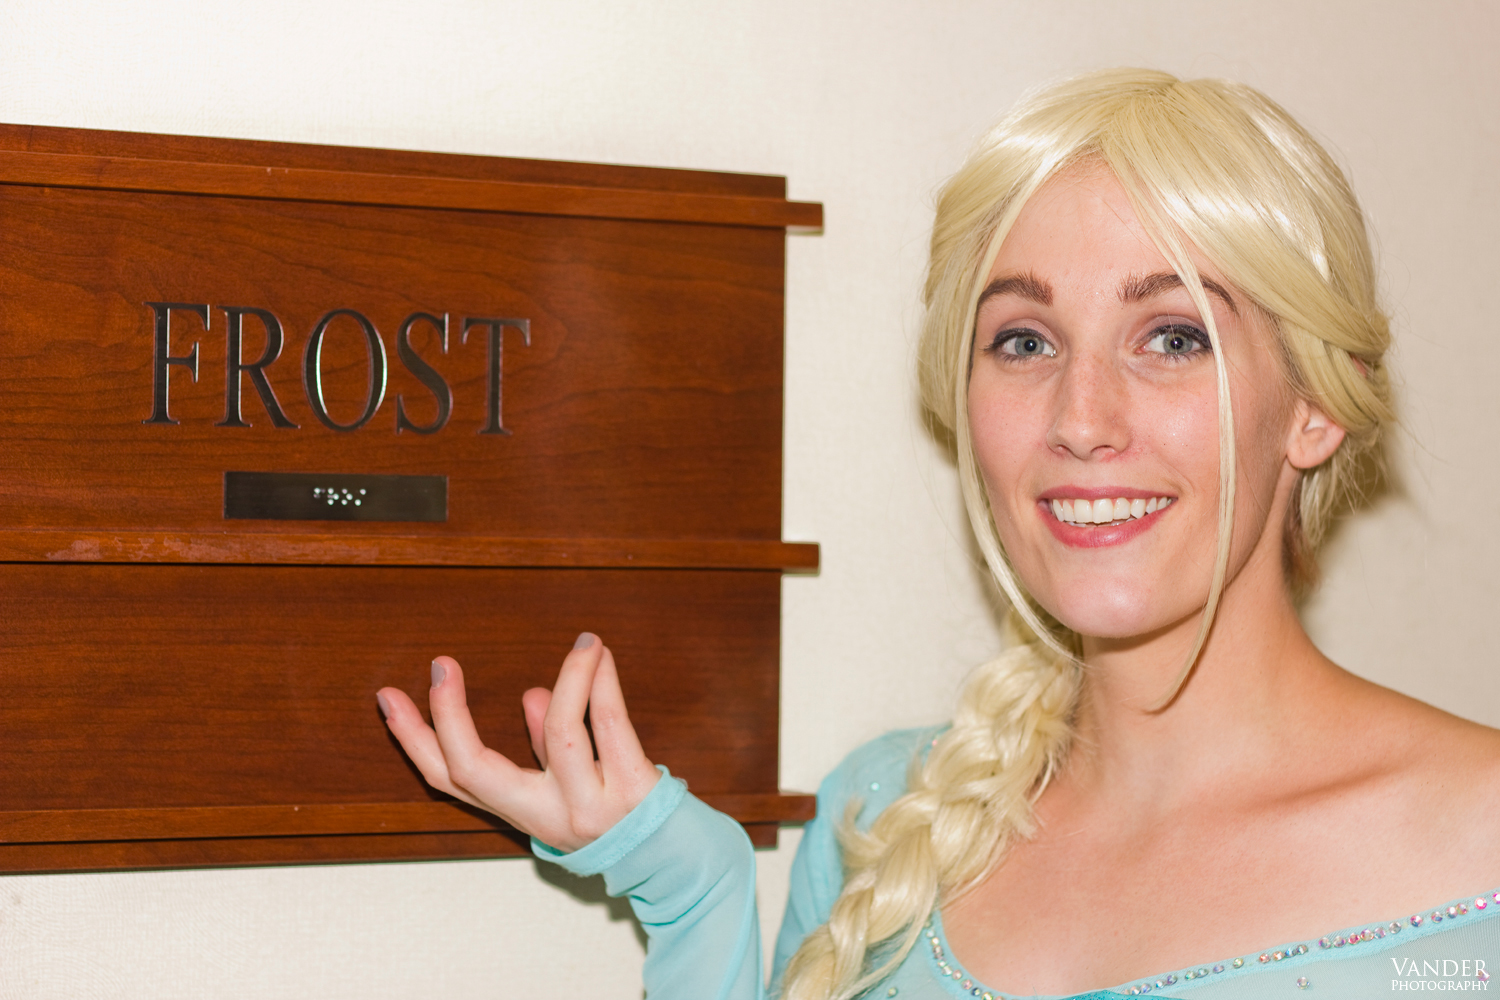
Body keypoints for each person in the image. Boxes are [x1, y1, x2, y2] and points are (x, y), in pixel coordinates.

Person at [374, 69, 1500, 998]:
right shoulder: (885, 818)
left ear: (1317, 404)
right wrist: (695, 894)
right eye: (1024, 341)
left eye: (1172, 336)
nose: (1081, 419)